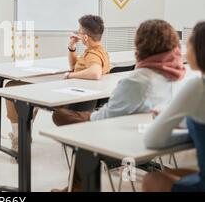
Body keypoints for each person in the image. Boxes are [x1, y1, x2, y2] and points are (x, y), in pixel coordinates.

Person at [51, 19, 186, 191]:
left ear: (140, 45)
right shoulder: (178, 74)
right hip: (155, 133)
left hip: (129, 139)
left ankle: (75, 189)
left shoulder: (137, 80)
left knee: (72, 127)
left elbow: (104, 118)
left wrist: (87, 118)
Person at [6, 15, 110, 151]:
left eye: (79, 31)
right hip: (80, 98)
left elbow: (95, 72)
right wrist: (71, 47)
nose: (77, 33)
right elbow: (75, 66)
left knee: (11, 87)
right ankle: (23, 134)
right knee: (19, 89)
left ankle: (19, 138)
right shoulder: (100, 51)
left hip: (70, 99)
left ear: (85, 37)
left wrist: (69, 75)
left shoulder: (92, 55)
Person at [143, 21, 205, 192]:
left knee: (151, 179)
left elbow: (152, 139)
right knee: (176, 173)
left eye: (189, 41)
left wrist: (188, 135)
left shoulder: (198, 87)